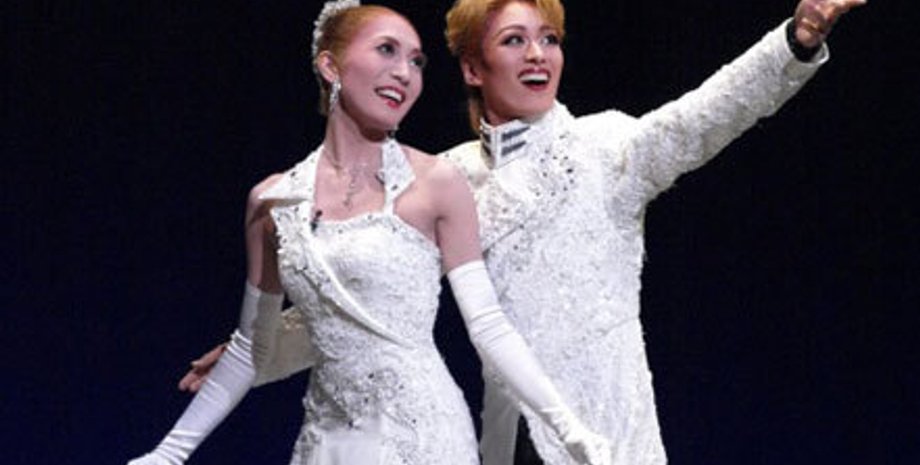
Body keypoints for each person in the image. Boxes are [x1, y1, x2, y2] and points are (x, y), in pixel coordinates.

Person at [182, 0, 865, 464]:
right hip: (505, 440)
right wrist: (259, 353)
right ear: (473, 68)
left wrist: (796, 39)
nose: (538, 55)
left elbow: (703, 117)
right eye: (515, 41)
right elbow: (373, 300)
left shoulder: (605, 148)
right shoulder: (445, 176)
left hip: (604, 436)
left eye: (549, 40)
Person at [127, 2, 610, 465]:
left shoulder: (437, 185)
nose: (405, 73)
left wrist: (568, 428)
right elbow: (252, 347)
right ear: (330, 66)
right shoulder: (273, 202)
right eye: (386, 50)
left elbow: (487, 325)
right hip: (327, 439)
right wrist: (169, 453)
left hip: (423, 437)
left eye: (416, 61)